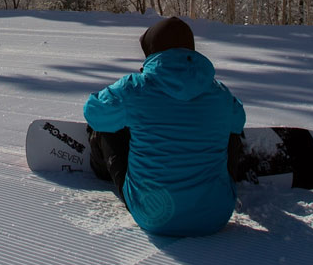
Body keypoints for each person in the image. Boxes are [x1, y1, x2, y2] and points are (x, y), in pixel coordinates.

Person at [83, 16, 248, 237]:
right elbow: (239, 122)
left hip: (154, 215)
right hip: (216, 216)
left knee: (106, 127)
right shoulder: (219, 92)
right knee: (230, 129)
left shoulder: (134, 89)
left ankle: (103, 169)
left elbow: (93, 112)